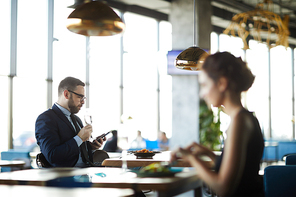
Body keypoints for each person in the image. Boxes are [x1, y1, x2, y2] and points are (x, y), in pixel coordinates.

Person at [171, 52, 264, 197]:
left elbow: (223, 187)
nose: (202, 94)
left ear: (221, 83)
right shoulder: (244, 118)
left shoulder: (239, 122)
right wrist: (208, 153)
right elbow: (239, 171)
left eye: (204, 85)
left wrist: (191, 158)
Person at [35, 76, 106, 167]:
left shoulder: (76, 119)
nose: (83, 102)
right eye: (80, 97)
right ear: (66, 94)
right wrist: (79, 138)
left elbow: (78, 153)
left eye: (83, 98)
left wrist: (90, 148)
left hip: (85, 171)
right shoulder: (46, 119)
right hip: (65, 176)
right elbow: (52, 155)